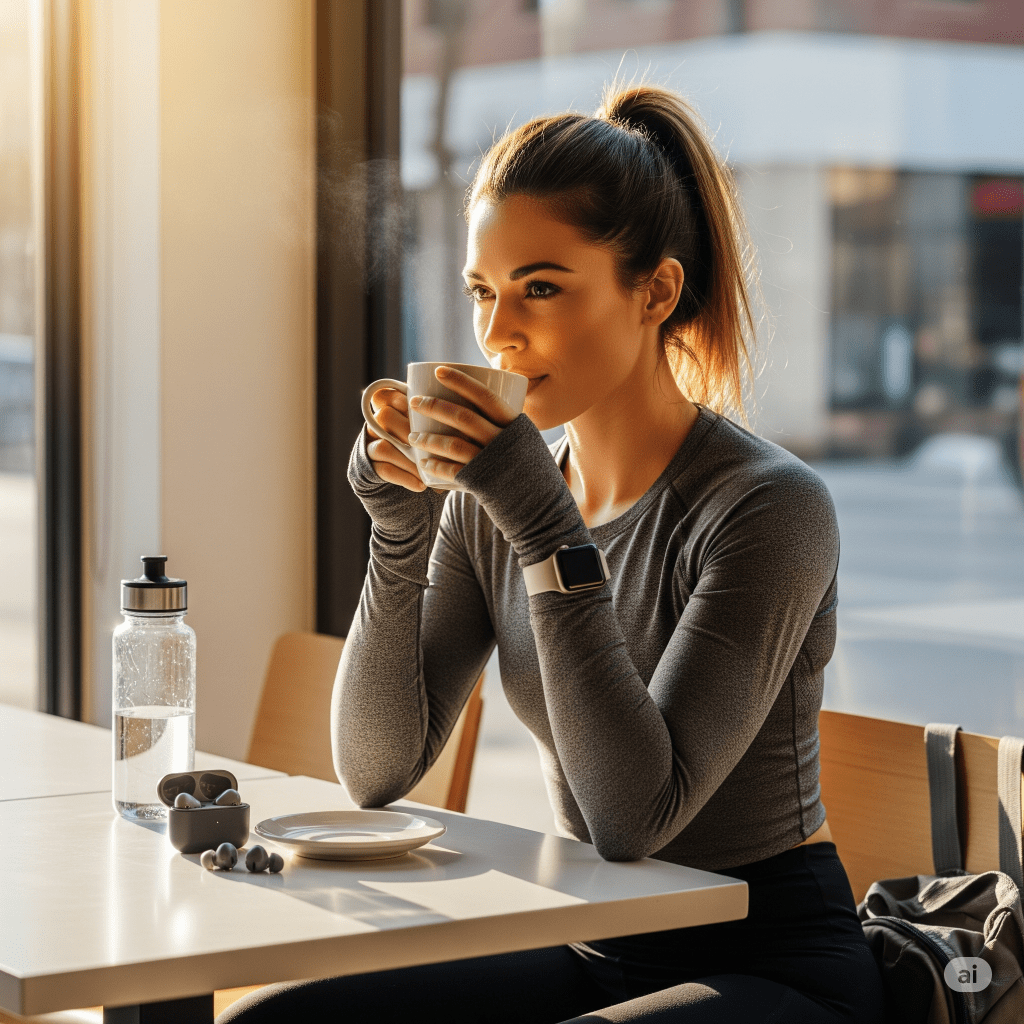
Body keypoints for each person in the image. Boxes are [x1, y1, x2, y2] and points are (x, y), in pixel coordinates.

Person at [220, 82, 885, 1023]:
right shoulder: (498, 502)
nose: (497, 333)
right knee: (273, 1020)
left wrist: (542, 525)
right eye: (482, 292)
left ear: (655, 291)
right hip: (594, 942)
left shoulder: (767, 506)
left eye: (540, 287)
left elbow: (633, 818)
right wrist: (399, 532)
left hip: (771, 965)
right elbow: (376, 768)